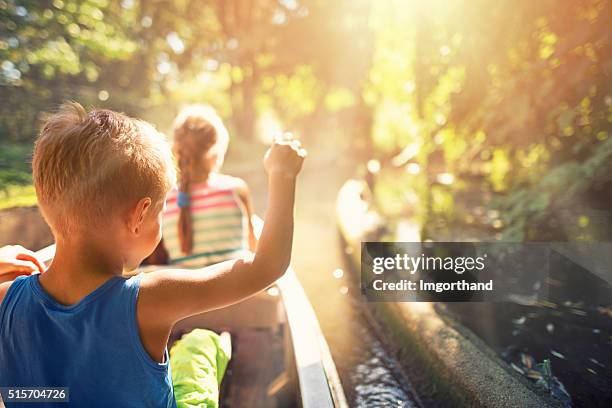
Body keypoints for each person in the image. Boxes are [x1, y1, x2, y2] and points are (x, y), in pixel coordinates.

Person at [0, 102, 305, 407]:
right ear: (141, 214)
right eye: (160, 210)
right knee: (201, 342)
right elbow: (267, 265)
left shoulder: (5, 298)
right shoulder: (148, 299)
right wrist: (282, 175)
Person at [159, 105, 257, 268]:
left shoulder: (164, 200)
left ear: (177, 151)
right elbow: (254, 248)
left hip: (189, 291)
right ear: (217, 150)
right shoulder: (236, 189)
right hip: (237, 289)